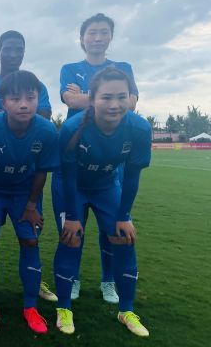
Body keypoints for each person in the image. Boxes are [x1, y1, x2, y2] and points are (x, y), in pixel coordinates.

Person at [53, 67, 151, 337]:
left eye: (121, 97)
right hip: (71, 187)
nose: (114, 104)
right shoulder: (72, 128)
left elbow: (131, 177)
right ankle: (64, 308)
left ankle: (126, 310)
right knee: (71, 239)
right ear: (93, 99)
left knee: (123, 238)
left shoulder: (140, 128)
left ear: (130, 97)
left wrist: (125, 216)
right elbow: (68, 175)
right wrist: (72, 217)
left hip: (106, 185)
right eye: (106, 97)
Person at [53, 13, 139, 303]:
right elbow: (69, 100)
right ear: (82, 38)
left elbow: (131, 103)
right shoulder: (70, 68)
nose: (98, 37)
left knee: (111, 229)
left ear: (111, 37)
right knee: (72, 229)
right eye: (92, 32)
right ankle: (73, 279)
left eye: (103, 32)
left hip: (109, 160)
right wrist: (98, 97)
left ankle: (108, 281)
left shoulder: (123, 67)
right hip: (77, 153)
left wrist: (86, 95)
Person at [0, 70, 59, 333]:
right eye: (15, 98)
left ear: (38, 99)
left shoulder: (46, 130)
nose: (23, 104)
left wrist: (31, 206)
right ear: (3, 102)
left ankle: (30, 307)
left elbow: (42, 171)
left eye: (30, 98)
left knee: (30, 241)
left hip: (24, 193)